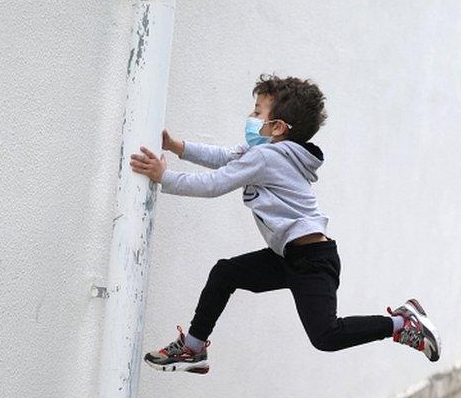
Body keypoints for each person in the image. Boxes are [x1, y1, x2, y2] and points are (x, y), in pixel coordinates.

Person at [128, 75, 441, 374]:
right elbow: (225, 157)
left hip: (312, 260)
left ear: (276, 126)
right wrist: (177, 146)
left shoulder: (267, 158)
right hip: (288, 256)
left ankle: (402, 324)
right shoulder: (265, 152)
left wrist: (163, 177)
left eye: (257, 112)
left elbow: (214, 184)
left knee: (326, 336)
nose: (250, 116)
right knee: (226, 273)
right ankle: (193, 348)